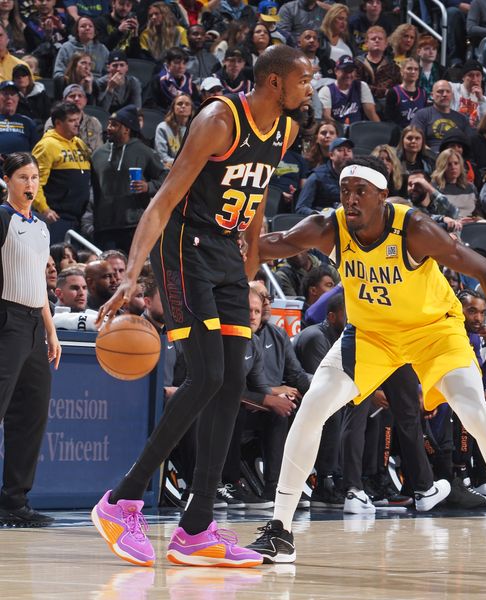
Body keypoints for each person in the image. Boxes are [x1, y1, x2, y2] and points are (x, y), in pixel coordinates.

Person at [247, 154, 486, 565]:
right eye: (345, 191)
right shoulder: (328, 227)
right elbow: (266, 247)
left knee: (475, 413)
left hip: (434, 333)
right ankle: (280, 531)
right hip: (372, 335)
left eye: (361, 193)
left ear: (383, 196)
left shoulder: (415, 229)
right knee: (313, 406)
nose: (350, 201)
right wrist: (252, 207)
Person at [89, 45, 313, 568]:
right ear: (275, 82)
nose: (311, 86)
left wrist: (252, 265)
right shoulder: (219, 119)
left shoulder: (286, 131)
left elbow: (255, 202)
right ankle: (121, 502)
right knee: (208, 375)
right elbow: (164, 199)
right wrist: (129, 277)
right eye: (304, 78)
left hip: (227, 255)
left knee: (233, 382)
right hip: (184, 248)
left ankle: (195, 528)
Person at [0, 152, 61, 528]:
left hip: (35, 326)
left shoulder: (41, 228)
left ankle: (13, 502)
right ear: (7, 180)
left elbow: (39, 285)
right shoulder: (2, 217)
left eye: (35, 177)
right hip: (6, 319)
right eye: (22, 177)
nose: (30, 184)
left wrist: (51, 332)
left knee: (31, 416)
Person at [89, 105, 167, 252]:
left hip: (134, 225)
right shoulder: (98, 154)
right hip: (104, 226)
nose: (109, 128)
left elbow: (165, 178)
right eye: (109, 124)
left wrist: (148, 187)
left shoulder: (143, 151)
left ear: (127, 129)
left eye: (114, 125)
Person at [30, 101, 91, 243]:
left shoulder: (79, 143)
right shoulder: (47, 145)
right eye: (71, 121)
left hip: (79, 218)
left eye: (78, 120)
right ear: (58, 123)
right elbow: (33, 182)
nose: (77, 124)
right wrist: (44, 209)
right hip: (57, 217)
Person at [409, 80, 471, 153]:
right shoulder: (422, 114)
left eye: (448, 91)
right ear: (432, 95)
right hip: (430, 158)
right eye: (440, 91)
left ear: (452, 95)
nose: (444, 94)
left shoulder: (462, 118)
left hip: (456, 159)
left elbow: (467, 144)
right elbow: (416, 141)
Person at [319, 55, 379, 125]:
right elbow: (327, 118)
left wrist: (381, 130)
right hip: (337, 131)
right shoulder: (326, 91)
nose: (348, 75)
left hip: (358, 131)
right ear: (336, 71)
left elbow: (371, 113)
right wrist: (343, 130)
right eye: (345, 71)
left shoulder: (361, 86)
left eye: (351, 71)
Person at [154, 92, 193, 168]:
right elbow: (162, 156)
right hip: (169, 169)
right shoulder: (163, 128)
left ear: (191, 109)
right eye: (179, 104)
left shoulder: (195, 129)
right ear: (173, 108)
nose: (183, 106)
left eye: (187, 104)